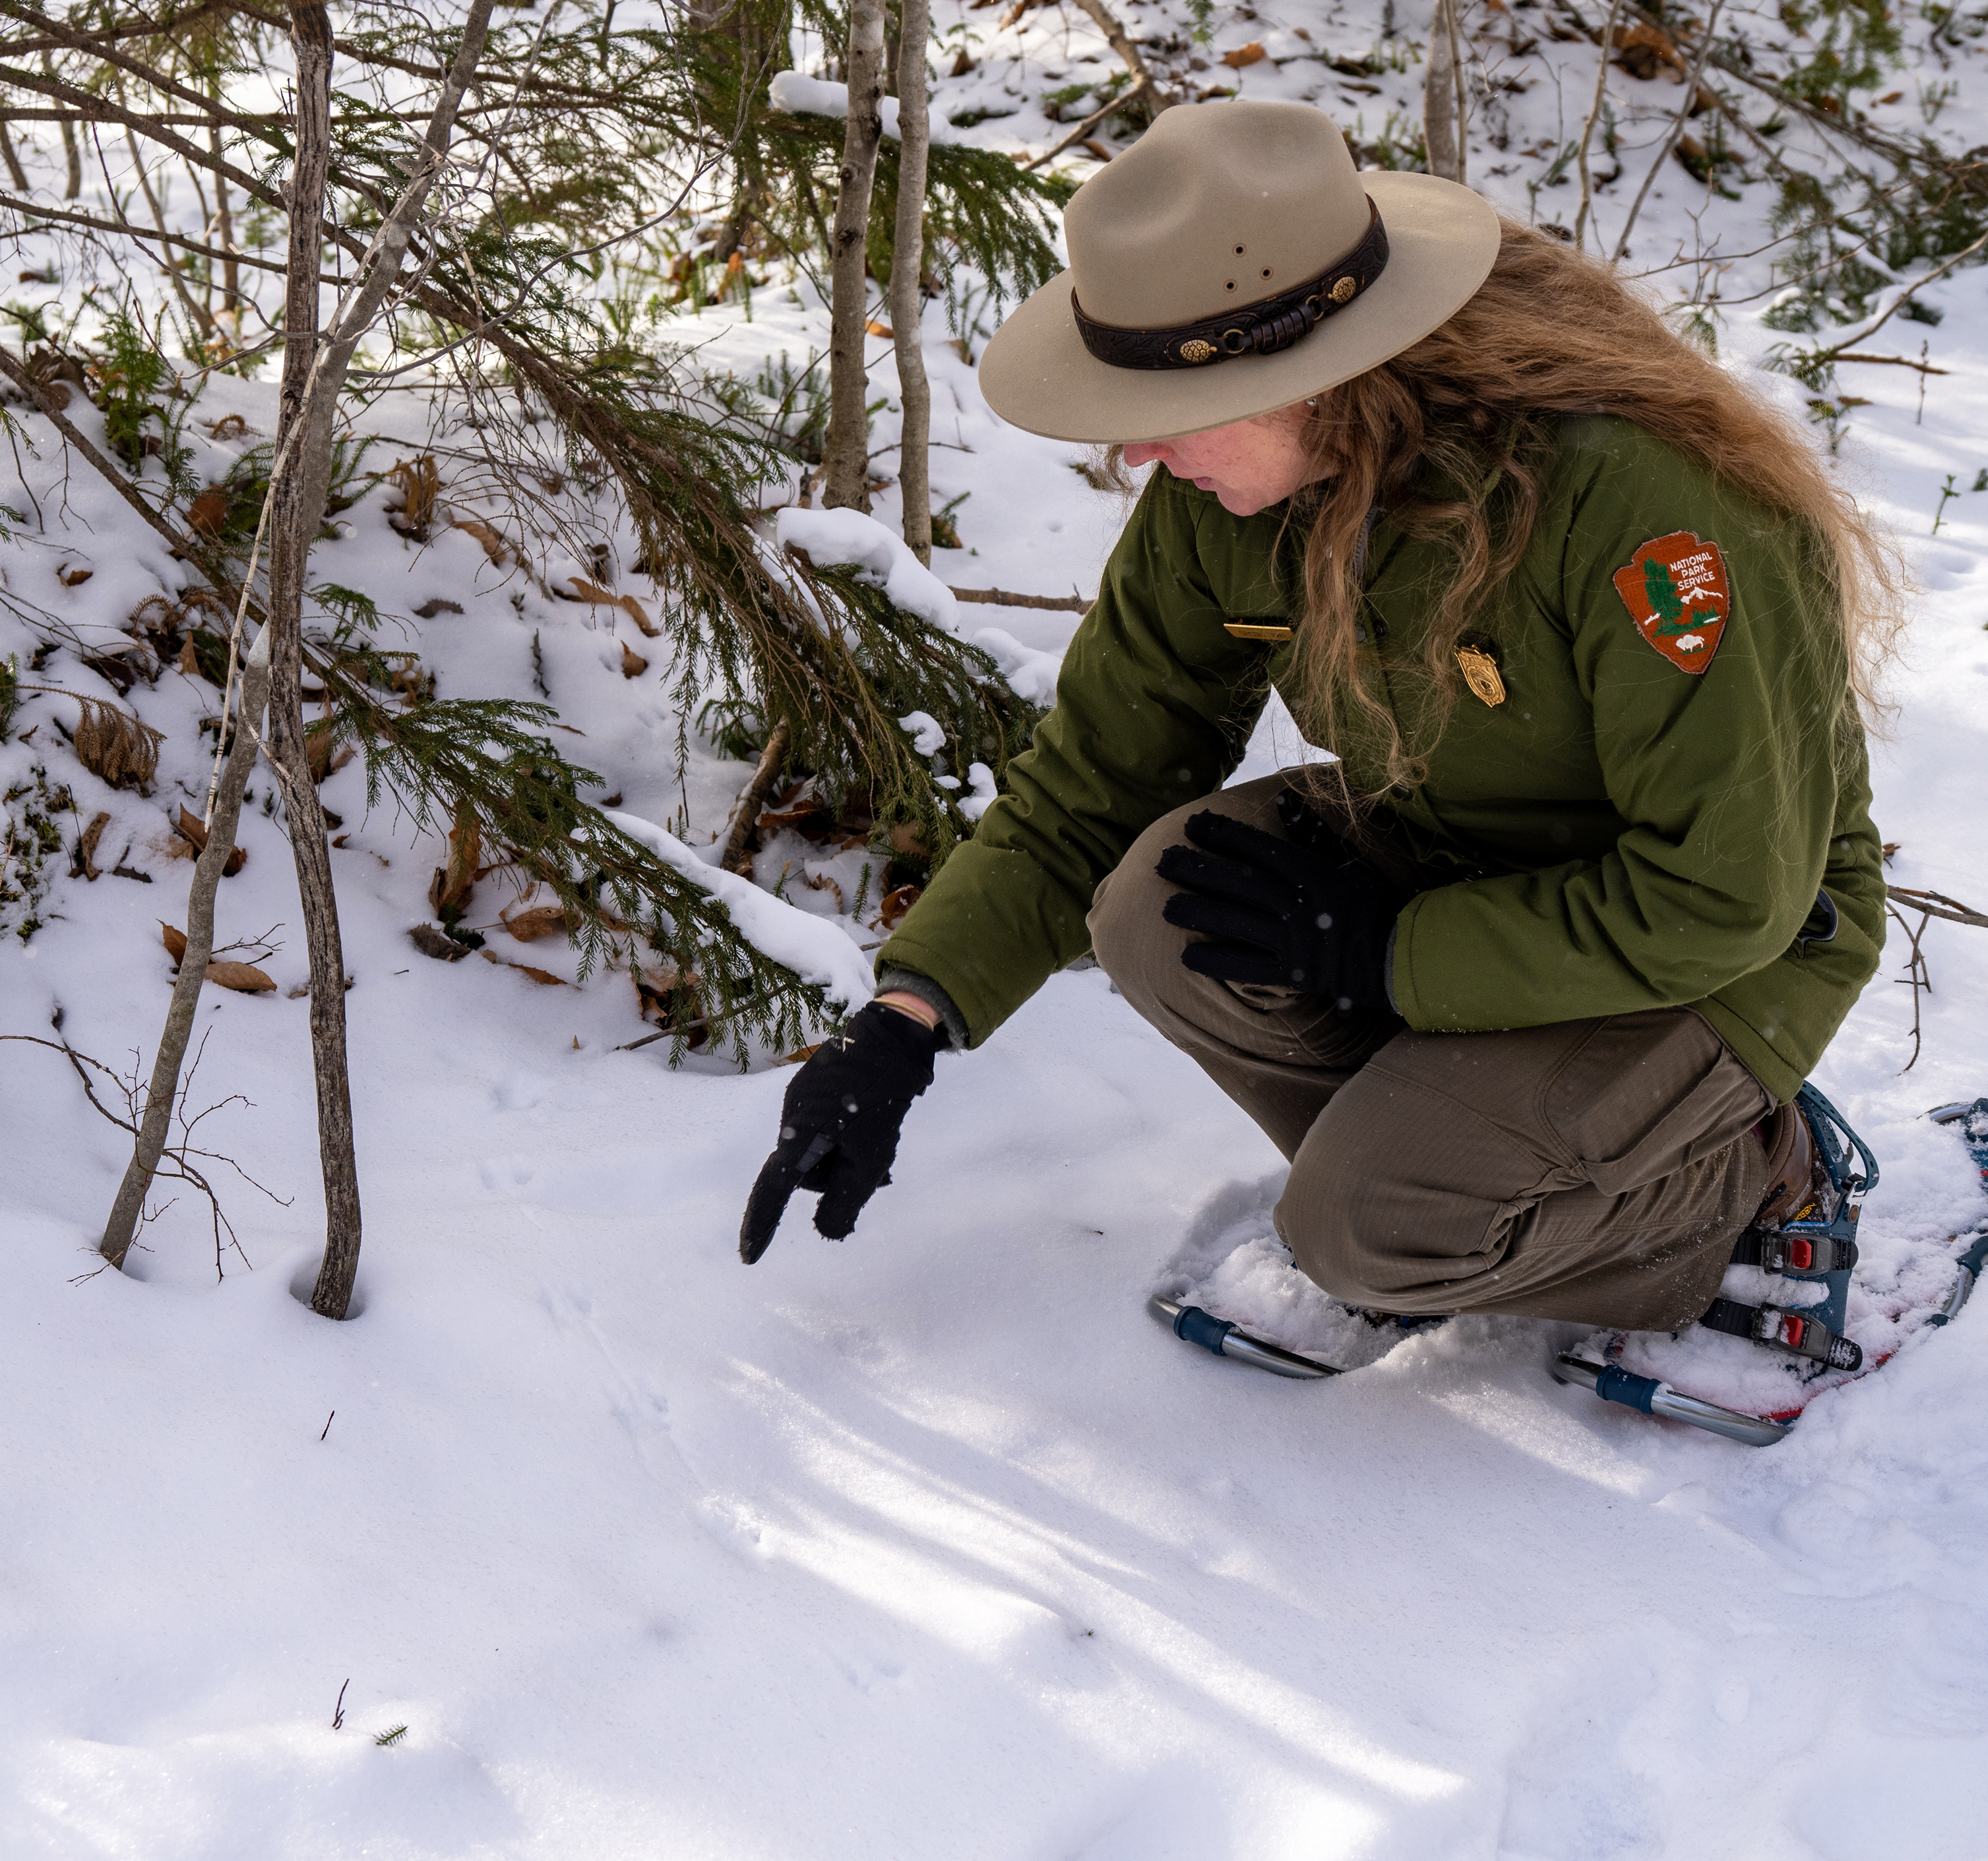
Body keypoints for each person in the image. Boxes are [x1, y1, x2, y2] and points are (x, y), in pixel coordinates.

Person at [739, 98, 1897, 1344]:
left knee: (1368, 1228)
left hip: (1719, 948)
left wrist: (1391, 952)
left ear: (1319, 377)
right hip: (1455, 862)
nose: (1133, 454)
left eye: (1162, 411)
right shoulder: (1232, 494)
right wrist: (903, 1024)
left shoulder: (1642, 508)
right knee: (1155, 904)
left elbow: (1724, 897)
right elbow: (1096, 778)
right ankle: (1467, 1171)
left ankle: (1738, 1184)